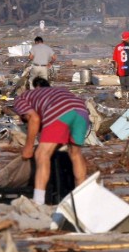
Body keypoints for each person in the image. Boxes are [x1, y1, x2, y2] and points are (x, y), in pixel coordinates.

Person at [13, 78, 89, 206]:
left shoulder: (23, 97)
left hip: (59, 111)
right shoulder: (58, 91)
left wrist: (28, 147)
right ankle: (82, 199)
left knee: (42, 154)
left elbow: (34, 118)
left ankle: (38, 202)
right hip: (81, 111)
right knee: (75, 154)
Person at [112, 31, 129, 100]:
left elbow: (115, 61)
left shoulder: (117, 47)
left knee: (123, 87)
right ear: (128, 38)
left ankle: (124, 100)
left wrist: (116, 69)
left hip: (121, 70)